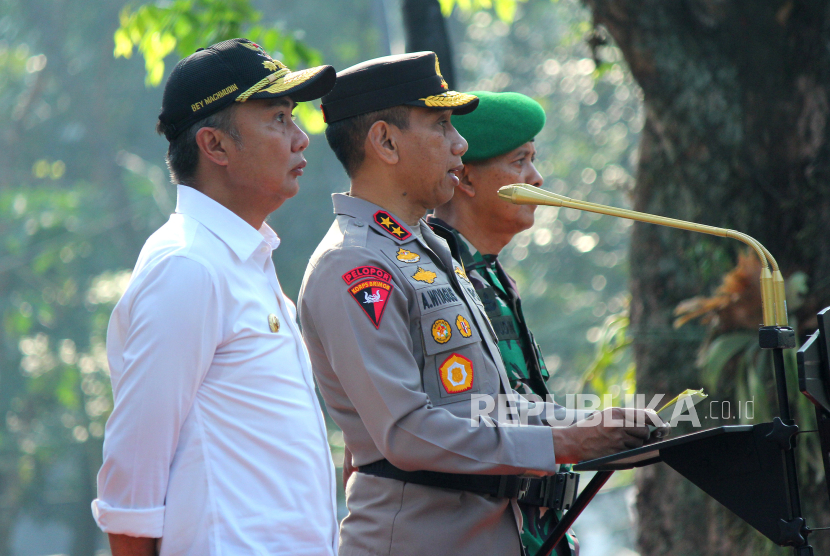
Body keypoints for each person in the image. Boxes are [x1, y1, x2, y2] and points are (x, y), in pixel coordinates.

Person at [299, 52, 664, 556]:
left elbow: (489, 405)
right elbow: (406, 432)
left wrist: (591, 428)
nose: (460, 143)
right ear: (385, 141)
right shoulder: (354, 266)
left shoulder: (428, 247)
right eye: (443, 124)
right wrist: (567, 443)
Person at [91, 38, 338, 556]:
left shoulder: (241, 260)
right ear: (216, 146)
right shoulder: (188, 267)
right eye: (277, 118)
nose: (300, 139)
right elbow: (132, 486)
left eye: (293, 117)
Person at [427, 90, 576, 555]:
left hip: (535, 533)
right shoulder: (437, 276)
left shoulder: (489, 273)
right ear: (465, 179)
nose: (537, 177)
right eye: (520, 160)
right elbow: (463, 420)